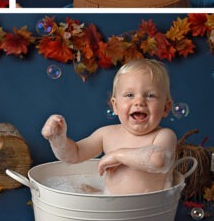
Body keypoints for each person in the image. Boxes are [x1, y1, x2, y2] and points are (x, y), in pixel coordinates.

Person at [41, 58, 177, 195]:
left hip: (148, 209)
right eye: (129, 95)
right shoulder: (106, 134)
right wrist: (58, 139)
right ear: (115, 106)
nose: (139, 101)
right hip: (110, 207)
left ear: (166, 108)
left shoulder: (164, 135)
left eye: (150, 95)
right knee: (84, 193)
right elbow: (74, 155)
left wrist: (118, 155)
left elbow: (158, 161)